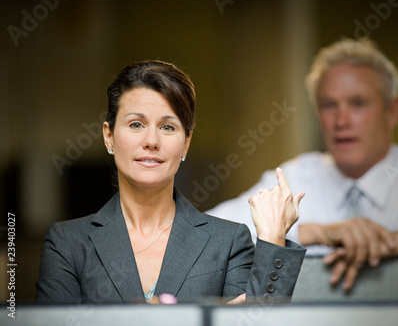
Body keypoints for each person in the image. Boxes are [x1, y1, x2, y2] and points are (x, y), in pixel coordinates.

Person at [207, 38, 398, 291]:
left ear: (392, 111)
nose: (342, 121)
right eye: (329, 105)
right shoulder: (293, 178)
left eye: (358, 103)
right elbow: (208, 235)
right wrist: (312, 232)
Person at [35, 60, 306, 304]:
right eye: (136, 124)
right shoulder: (67, 244)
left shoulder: (228, 242)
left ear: (186, 143)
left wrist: (273, 241)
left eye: (168, 127)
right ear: (109, 136)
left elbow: (258, 323)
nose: (151, 141)